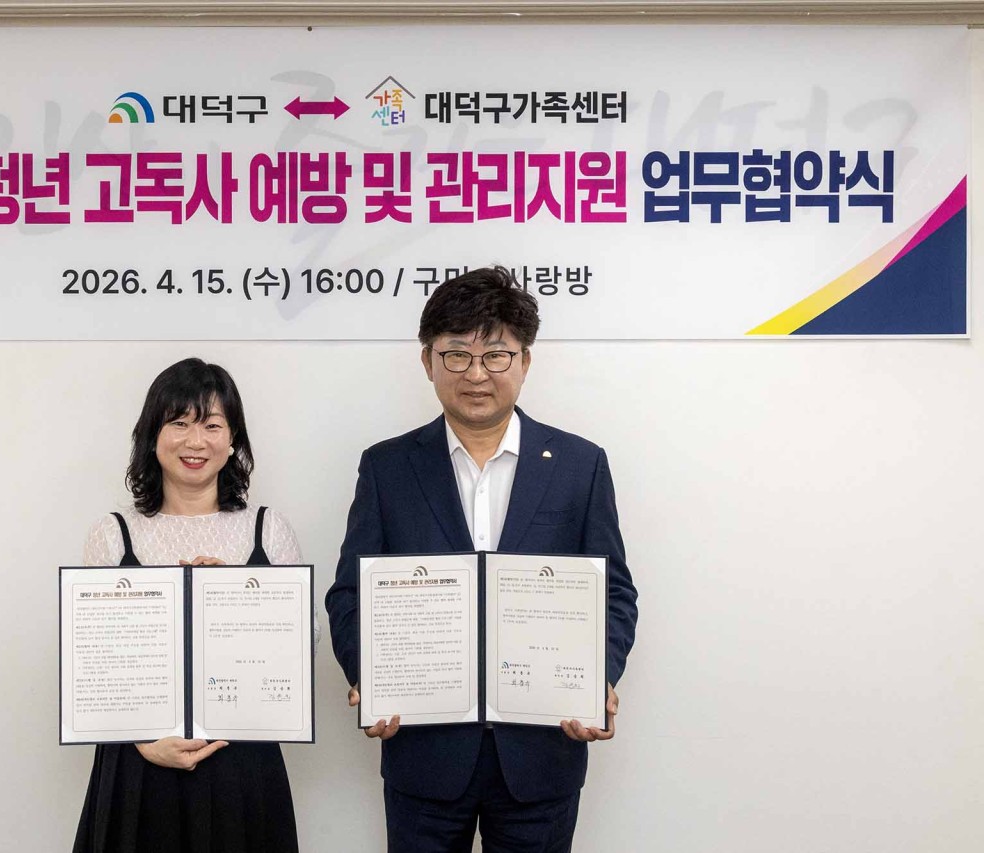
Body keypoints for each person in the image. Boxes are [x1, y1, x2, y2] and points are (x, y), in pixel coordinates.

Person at [324, 266, 639, 852]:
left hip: (542, 751)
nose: (475, 374)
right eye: (456, 355)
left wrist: (598, 677)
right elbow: (350, 594)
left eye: (495, 355)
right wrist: (370, 674)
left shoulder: (580, 465)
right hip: (424, 752)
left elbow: (614, 592)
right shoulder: (387, 467)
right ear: (427, 361)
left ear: (525, 362)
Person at [72, 357, 307, 853]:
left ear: (233, 438)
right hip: (138, 767)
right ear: (152, 435)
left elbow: (303, 643)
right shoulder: (113, 534)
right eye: (178, 423)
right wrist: (144, 743)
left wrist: (236, 598)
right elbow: (93, 660)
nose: (195, 441)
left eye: (212, 425)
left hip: (243, 763)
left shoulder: (268, 529)